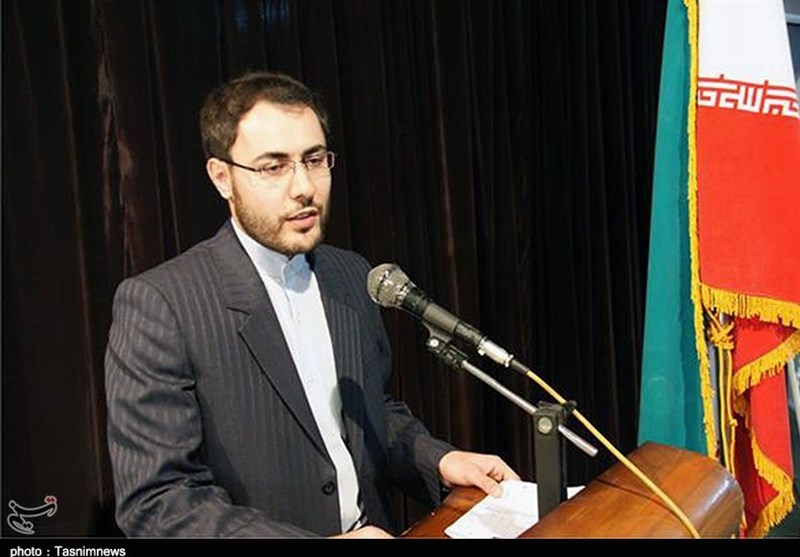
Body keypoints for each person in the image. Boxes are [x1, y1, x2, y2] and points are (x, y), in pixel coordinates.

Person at [104, 70, 520, 538]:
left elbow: (369, 412)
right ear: (222, 177)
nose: (303, 186)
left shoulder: (350, 274)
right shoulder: (162, 305)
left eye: (314, 159)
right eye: (273, 167)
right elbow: (158, 503)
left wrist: (439, 459)